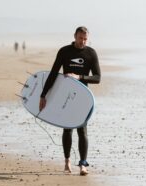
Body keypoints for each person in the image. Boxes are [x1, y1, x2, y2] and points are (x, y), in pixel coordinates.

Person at [39, 26, 101, 175]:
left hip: (82, 96)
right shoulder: (64, 51)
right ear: (75, 36)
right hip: (65, 95)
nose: (83, 41)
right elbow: (54, 73)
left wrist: (79, 77)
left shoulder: (90, 53)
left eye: (85, 39)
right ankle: (67, 161)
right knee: (67, 129)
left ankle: (83, 165)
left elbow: (97, 78)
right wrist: (43, 95)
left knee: (82, 130)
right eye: (80, 38)